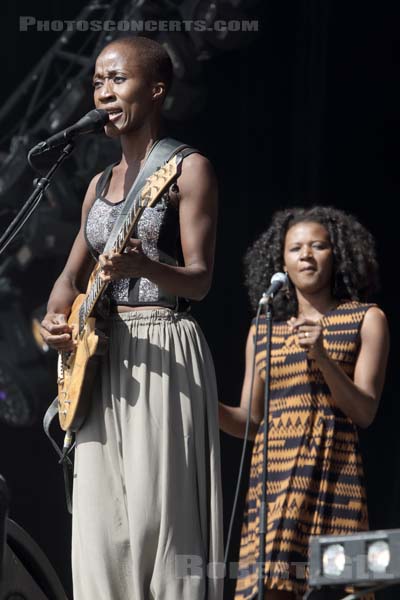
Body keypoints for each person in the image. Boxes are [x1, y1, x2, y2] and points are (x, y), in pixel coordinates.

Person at [39, 36, 223, 600]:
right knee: (98, 529)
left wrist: (146, 265)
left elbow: (201, 279)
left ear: (157, 88)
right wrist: (54, 318)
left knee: (157, 520)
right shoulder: (97, 185)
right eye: (98, 80)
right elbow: (70, 279)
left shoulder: (189, 169)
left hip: (163, 346)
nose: (104, 91)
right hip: (99, 358)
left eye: (118, 79)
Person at [219, 206, 389, 600]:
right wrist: (202, 404)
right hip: (273, 481)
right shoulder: (262, 329)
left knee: (344, 590)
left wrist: (322, 357)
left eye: (318, 246)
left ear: (338, 254)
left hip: (335, 473)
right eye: (296, 249)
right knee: (270, 590)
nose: (307, 256)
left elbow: (364, 411)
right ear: (282, 262)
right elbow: (250, 418)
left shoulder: (366, 319)